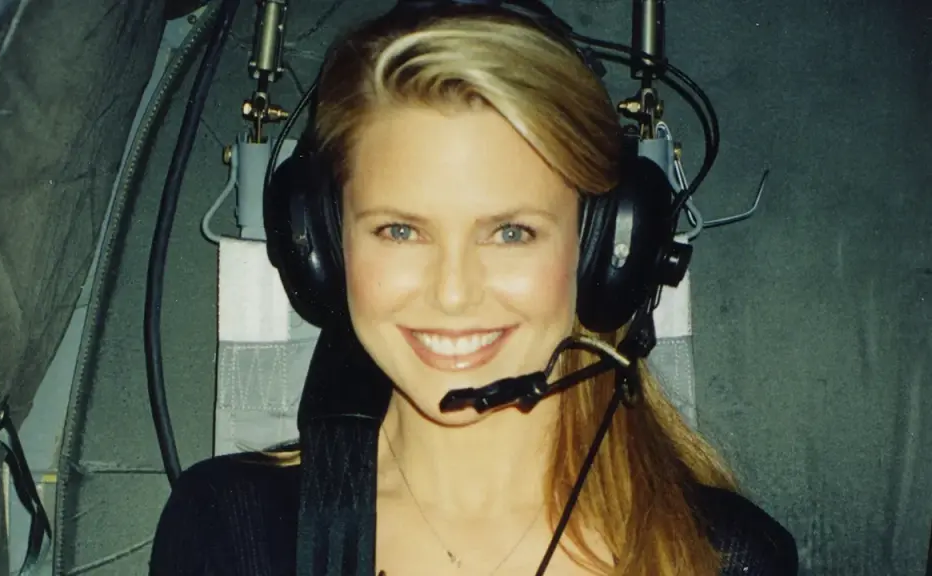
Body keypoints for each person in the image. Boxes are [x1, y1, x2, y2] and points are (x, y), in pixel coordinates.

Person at [149, 3, 798, 575]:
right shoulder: (230, 532)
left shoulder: (725, 557)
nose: (453, 294)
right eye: (401, 230)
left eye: (511, 233)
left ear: (603, 247)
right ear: (323, 242)